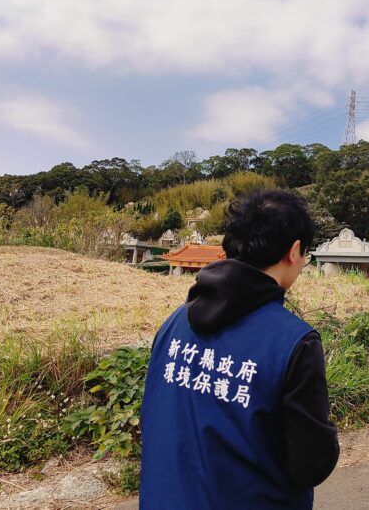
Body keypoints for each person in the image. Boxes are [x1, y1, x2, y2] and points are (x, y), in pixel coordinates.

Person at [139, 190, 339, 509]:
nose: (304, 263)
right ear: (294, 251)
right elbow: (311, 464)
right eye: (306, 255)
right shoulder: (294, 341)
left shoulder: (175, 323)